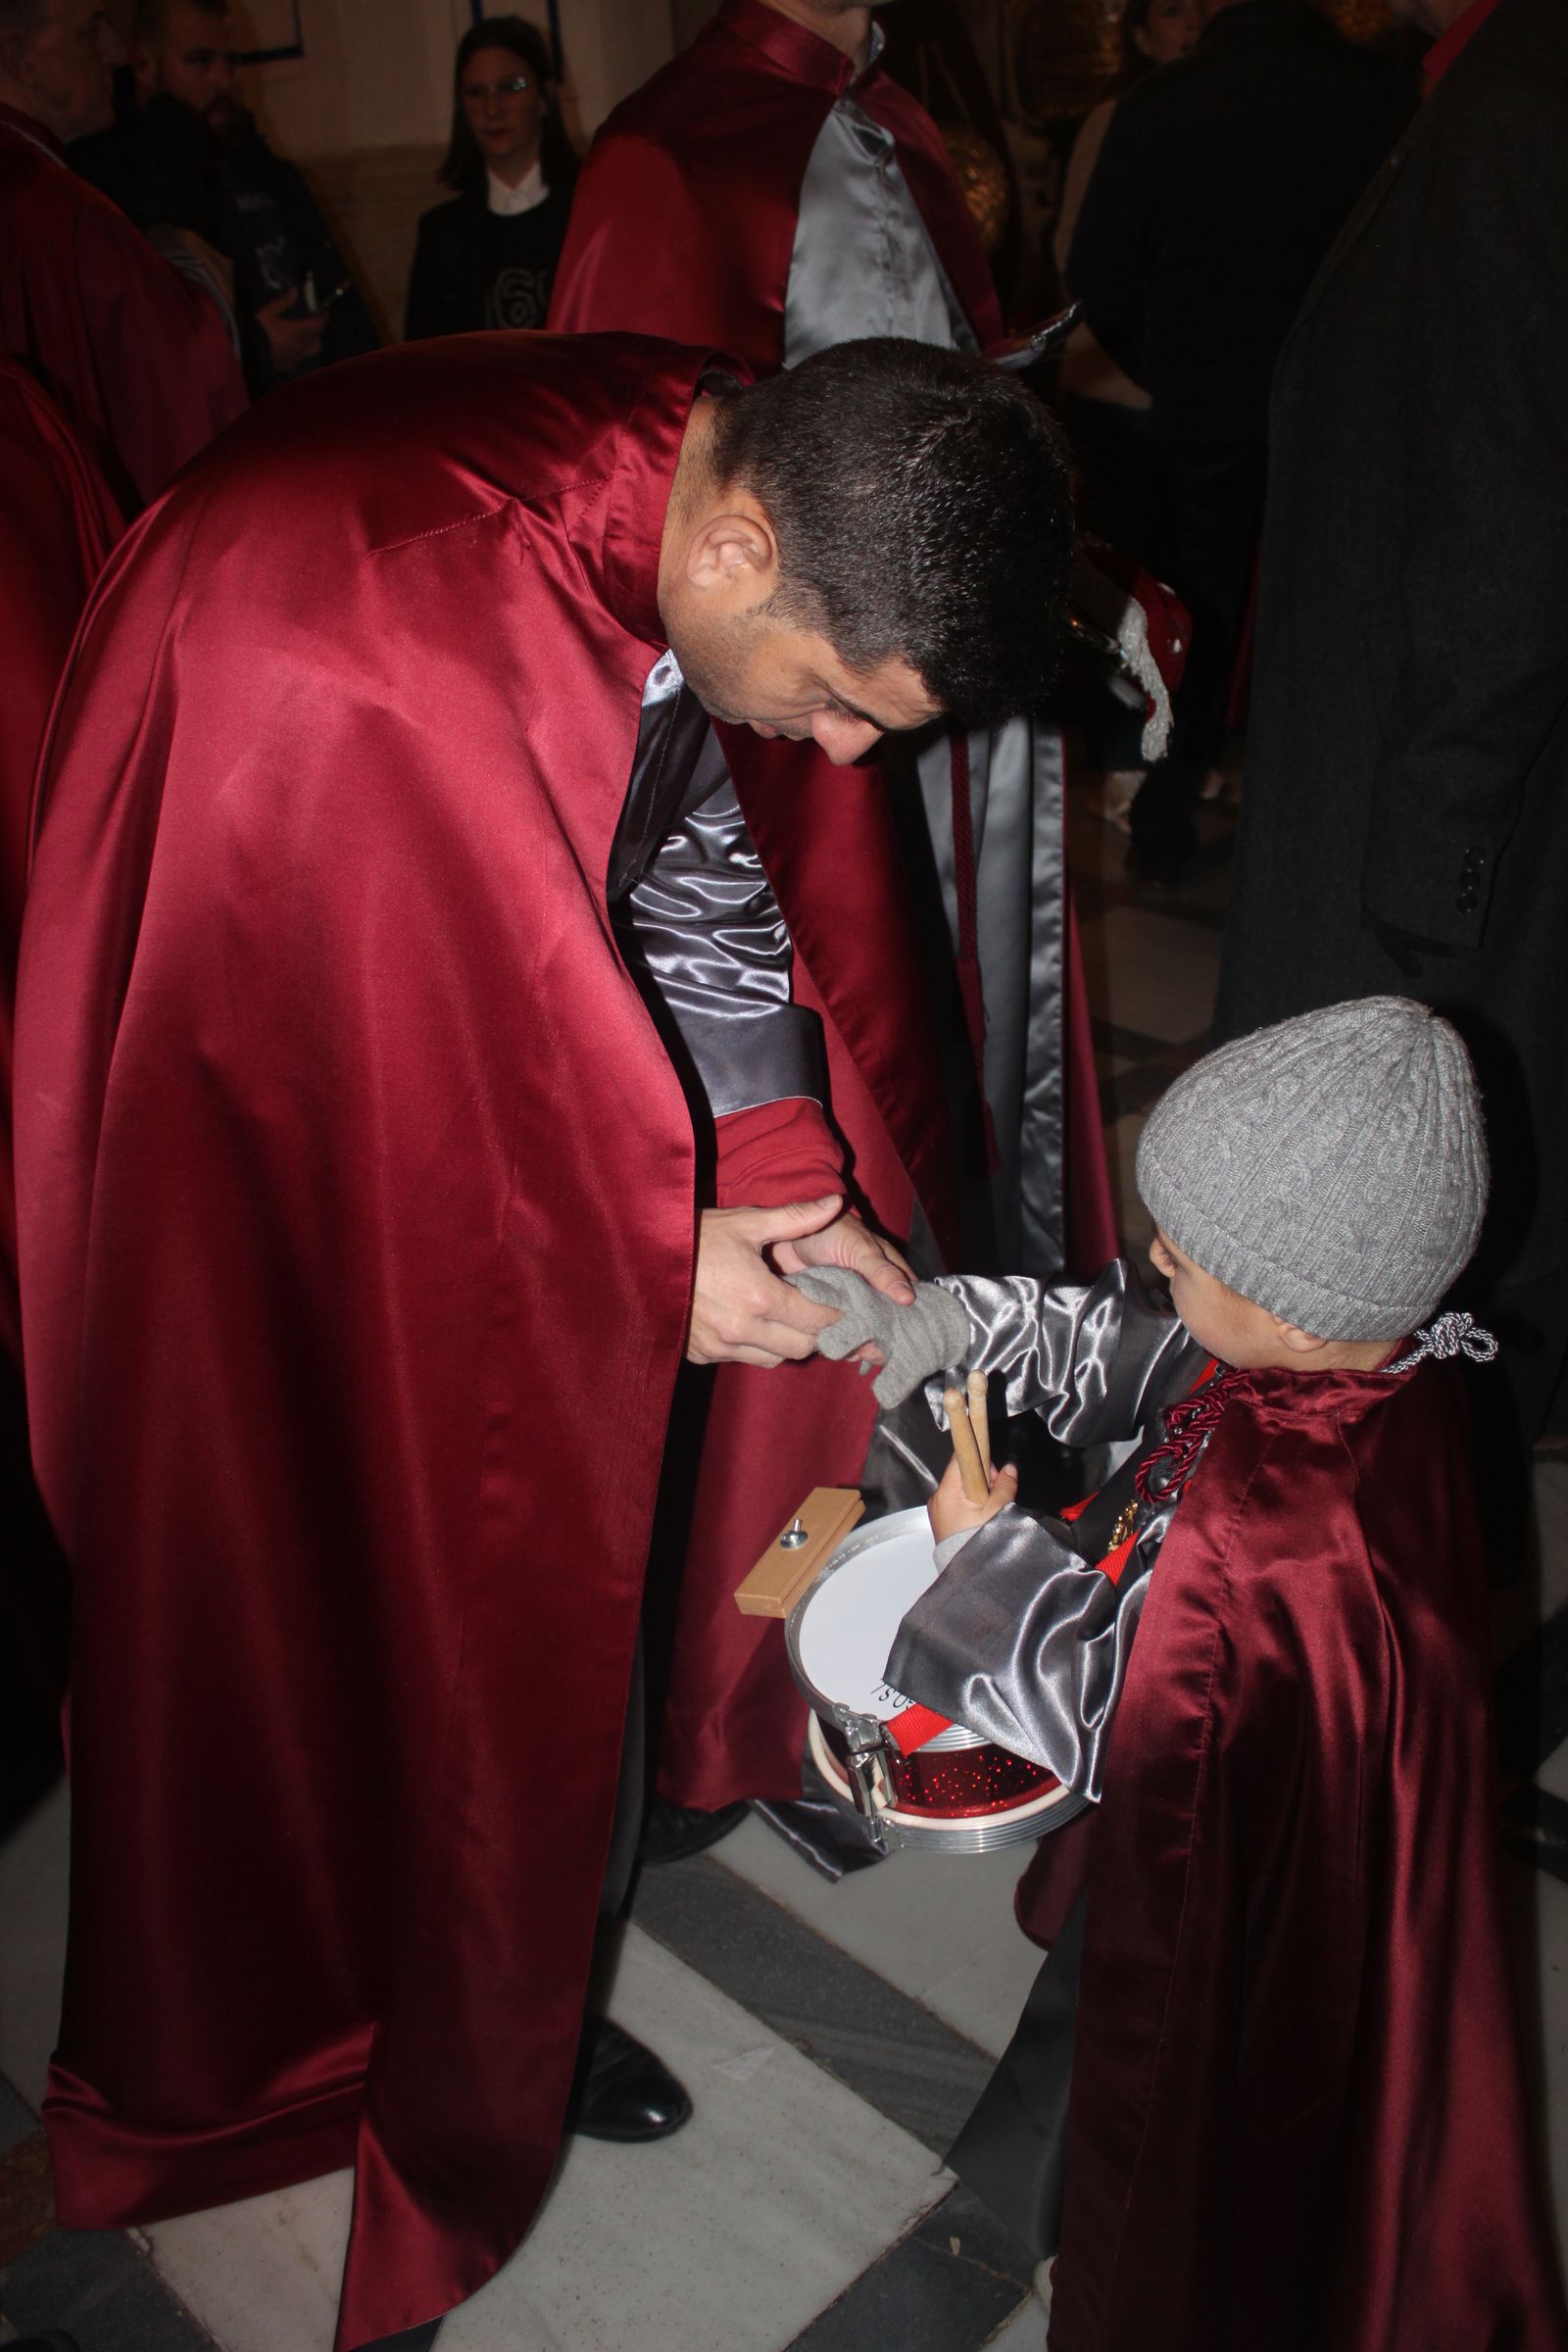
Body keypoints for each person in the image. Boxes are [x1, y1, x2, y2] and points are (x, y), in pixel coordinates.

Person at [14, 329, 1074, 2352]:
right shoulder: (392, 645)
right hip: (261, 1197)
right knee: (373, 1626)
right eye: (846, 709)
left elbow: (673, 835)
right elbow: (342, 1079)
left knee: (562, 1593)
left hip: (452, 1135)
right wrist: (638, 1266)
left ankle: (493, 1992)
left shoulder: (666, 474)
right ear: (752, 548)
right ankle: (351, 2058)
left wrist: (770, 1158)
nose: (844, 768)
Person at [550, 0, 1117, 1848]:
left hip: (842, 687)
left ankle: (824, 1630)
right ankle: (714, 1676)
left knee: (891, 1168)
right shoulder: (668, 155)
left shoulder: (901, 125)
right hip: (758, 718)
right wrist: (645, 1240)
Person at [809, 998, 1568, 2348]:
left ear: (1291, 1305)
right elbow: (1139, 1351)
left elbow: (1114, 1702)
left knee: (1193, 2120)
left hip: (1242, 1872)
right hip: (1301, 1823)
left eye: (1189, 1253)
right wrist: (946, 1324)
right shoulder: (1377, 1374)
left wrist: (981, 1560)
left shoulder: (1285, 1525)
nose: (1157, 1259)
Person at [1214, 0, 1568, 1558]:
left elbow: (1506, 512)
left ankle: (1364, 1594)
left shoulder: (1521, 106)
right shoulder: (1501, 85)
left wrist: (1428, 882)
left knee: (1383, 1239)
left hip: (1420, 805)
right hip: (1453, 774)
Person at [1067, 0, 1412, 881]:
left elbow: (1097, 278)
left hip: (1206, 402)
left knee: (1198, 618)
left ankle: (1168, 811)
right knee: (1336, 617)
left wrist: (1170, 365)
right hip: (1350, 405)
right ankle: (1329, 840)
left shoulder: (1167, 104)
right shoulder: (1385, 93)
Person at [0, 0, 245, 514]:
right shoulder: (63, 215)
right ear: (19, 56)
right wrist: (195, 280)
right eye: (91, 30)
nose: (114, 53)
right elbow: (177, 389)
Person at [1054, 0, 1200, 831]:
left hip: (1183, 397)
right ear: (1140, 34)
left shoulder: (1216, 110)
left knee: (1177, 585)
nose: (1188, 27)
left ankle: (1169, 750)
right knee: (1115, 592)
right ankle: (1118, 756)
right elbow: (1081, 256)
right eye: (1171, 12)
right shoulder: (1118, 118)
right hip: (1117, 391)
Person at [73, 0, 378, 397]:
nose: (222, 80)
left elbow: (346, 307)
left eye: (230, 61)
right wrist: (255, 349)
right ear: (145, 65)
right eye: (200, 61)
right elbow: (143, 352)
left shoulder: (268, 170)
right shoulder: (122, 184)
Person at [405, 16, 576, 341]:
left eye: (511, 87)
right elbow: (422, 366)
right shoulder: (442, 234)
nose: (492, 108)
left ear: (545, 97)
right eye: (475, 92)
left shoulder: (587, 212)